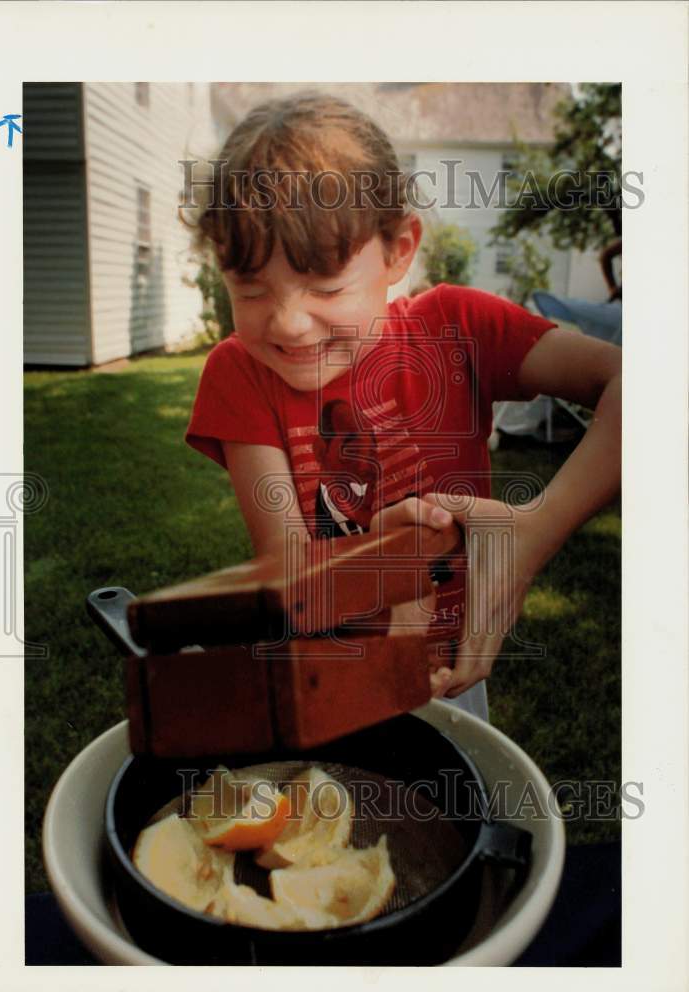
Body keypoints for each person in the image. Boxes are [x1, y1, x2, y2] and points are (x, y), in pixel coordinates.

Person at [182, 91, 621, 721]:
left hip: (450, 681)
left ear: (398, 251)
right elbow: (292, 577)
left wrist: (535, 530)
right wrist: (378, 565)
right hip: (324, 678)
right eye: (249, 290)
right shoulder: (239, 373)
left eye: (325, 286)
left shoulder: (457, 328)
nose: (288, 324)